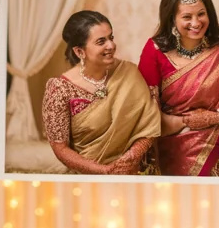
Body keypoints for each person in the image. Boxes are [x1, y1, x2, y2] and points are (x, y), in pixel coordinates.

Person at [137, 0, 219, 176]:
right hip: (167, 145)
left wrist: (211, 118)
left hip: (213, 147)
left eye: (201, 14)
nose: (196, 23)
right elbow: (146, 112)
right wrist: (185, 123)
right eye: (187, 17)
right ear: (172, 19)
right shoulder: (155, 50)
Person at [42, 11, 161, 174]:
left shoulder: (128, 72)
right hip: (89, 176)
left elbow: (149, 123)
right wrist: (103, 170)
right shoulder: (60, 89)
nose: (111, 46)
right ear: (79, 52)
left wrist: (132, 157)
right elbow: (60, 148)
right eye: (101, 41)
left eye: (111, 38)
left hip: (134, 172)